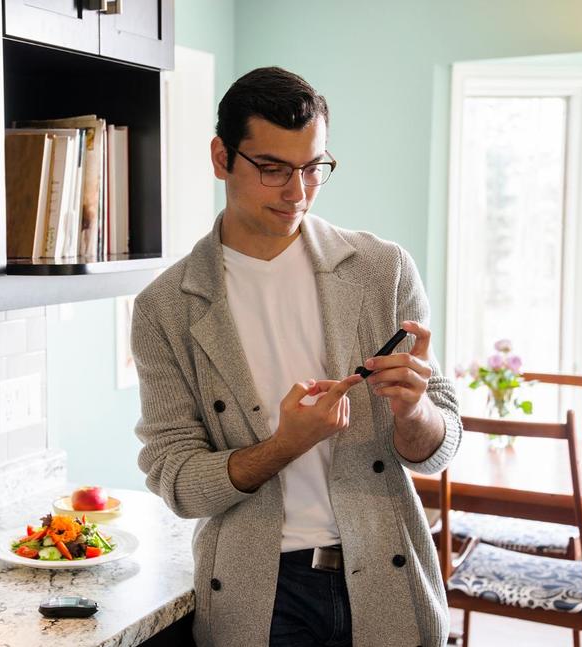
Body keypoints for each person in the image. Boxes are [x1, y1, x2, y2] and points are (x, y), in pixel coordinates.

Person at [131, 66, 462, 647]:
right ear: (220, 157)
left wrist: (415, 413)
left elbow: (438, 449)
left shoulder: (383, 271)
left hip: (386, 572)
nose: (297, 192)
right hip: (257, 594)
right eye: (273, 169)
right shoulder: (166, 308)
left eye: (314, 168)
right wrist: (285, 445)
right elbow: (177, 480)